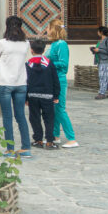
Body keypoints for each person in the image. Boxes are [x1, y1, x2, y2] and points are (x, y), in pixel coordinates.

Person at [0, 16, 32, 158]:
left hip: (4, 83)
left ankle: (10, 149)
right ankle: (26, 147)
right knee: (20, 115)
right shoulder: (26, 43)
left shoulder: (3, 43)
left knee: (7, 116)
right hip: (20, 83)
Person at [45, 19, 78, 148]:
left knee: (60, 108)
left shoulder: (61, 44)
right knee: (54, 109)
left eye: (48, 27)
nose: (46, 30)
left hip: (59, 79)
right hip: (52, 79)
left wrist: (48, 64)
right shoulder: (54, 44)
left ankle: (72, 138)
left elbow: (64, 64)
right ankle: (55, 135)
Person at [25, 39, 59, 150]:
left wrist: (26, 97)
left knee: (34, 118)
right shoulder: (49, 63)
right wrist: (56, 95)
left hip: (33, 96)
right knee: (49, 119)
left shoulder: (28, 64)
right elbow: (55, 80)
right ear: (44, 50)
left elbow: (25, 81)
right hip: (47, 96)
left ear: (31, 50)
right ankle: (49, 141)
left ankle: (38, 140)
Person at [89, 26, 108, 100]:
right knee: (107, 77)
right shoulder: (101, 41)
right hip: (101, 60)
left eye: (98, 31)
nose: (97, 33)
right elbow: (100, 50)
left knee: (103, 77)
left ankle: (102, 93)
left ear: (101, 32)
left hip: (107, 61)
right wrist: (94, 50)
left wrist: (99, 50)